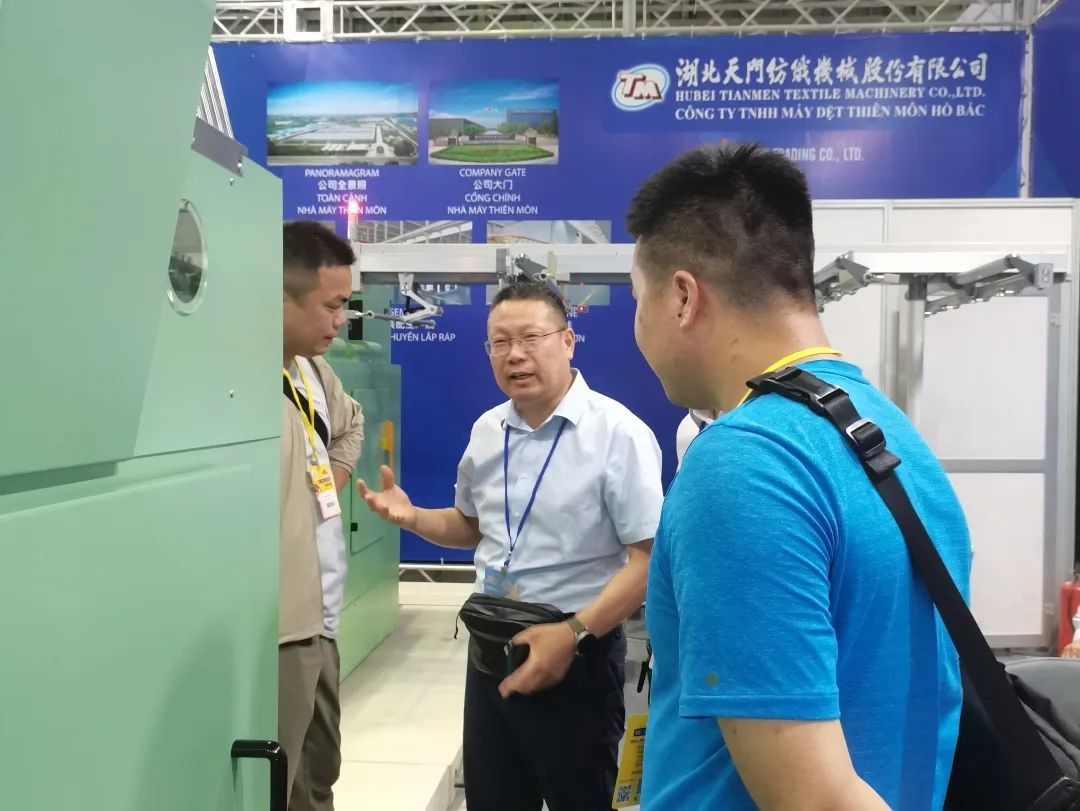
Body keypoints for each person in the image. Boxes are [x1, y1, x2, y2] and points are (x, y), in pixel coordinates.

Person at [626, 143, 972, 811]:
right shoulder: (895, 438)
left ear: (682, 297)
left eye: (639, 299)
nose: (637, 326)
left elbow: (815, 799)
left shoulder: (742, 464)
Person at [357, 279, 664, 811]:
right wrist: (414, 518)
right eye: (499, 342)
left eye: (530, 338)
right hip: (491, 647)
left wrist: (573, 633)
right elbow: (471, 526)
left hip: (576, 653)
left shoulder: (619, 434)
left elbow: (648, 559)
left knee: (579, 797)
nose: (514, 355)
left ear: (567, 341)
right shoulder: (487, 429)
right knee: (493, 797)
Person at [279, 221, 364, 811]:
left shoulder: (312, 372)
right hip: (280, 628)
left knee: (318, 772)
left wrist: (328, 479)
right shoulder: (232, 385)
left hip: (323, 616)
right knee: (276, 778)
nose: (341, 320)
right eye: (332, 305)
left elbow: (351, 423)